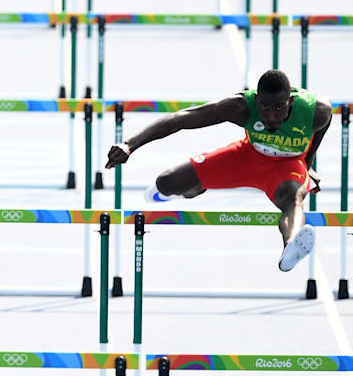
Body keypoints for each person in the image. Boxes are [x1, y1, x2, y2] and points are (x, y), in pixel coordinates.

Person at [106, 69, 331, 272]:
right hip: (247, 158)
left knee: (293, 197)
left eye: (278, 108)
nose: (271, 115)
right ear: (256, 100)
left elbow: (322, 125)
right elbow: (181, 119)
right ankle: (194, 190)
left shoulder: (316, 111)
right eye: (264, 107)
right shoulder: (240, 107)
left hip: (286, 167)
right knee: (166, 183)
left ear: (290, 101)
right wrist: (130, 144)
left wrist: (306, 164)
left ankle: (291, 246)